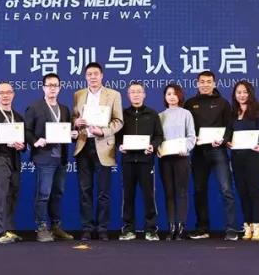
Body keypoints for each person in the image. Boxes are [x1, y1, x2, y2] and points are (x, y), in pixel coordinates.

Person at [72, 62, 124, 241]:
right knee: (84, 190)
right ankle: (87, 228)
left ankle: (102, 228)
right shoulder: (78, 94)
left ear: (102, 76)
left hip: (104, 146)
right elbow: (75, 117)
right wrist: (76, 123)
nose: (92, 77)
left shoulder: (113, 95)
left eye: (96, 74)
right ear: (85, 77)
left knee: (103, 192)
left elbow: (118, 121)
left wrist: (103, 131)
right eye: (89, 74)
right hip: (83, 145)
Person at [185, 70, 239, 241]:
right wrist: (191, 140)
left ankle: (231, 228)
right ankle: (202, 228)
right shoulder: (190, 103)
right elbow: (186, 128)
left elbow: (230, 126)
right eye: (202, 81)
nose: (205, 84)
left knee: (226, 189)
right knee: (199, 190)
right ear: (197, 84)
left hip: (218, 151)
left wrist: (224, 140)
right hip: (198, 152)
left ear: (214, 84)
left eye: (209, 81)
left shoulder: (223, 103)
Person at [25, 73, 74, 242]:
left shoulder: (64, 109)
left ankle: (56, 227)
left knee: (57, 193)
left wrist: (73, 134)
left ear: (60, 88)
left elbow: (67, 130)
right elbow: (26, 131)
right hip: (44, 157)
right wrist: (35, 141)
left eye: (55, 85)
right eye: (49, 85)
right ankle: (41, 228)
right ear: (43, 87)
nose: (52, 88)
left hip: (61, 158)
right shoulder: (34, 107)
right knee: (43, 194)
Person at [115, 82, 163, 241]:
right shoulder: (122, 114)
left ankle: (151, 230)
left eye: (139, 92)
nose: (136, 94)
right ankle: (128, 229)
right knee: (128, 195)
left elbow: (159, 136)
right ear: (128, 95)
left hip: (146, 160)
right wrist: (119, 145)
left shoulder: (152, 114)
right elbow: (116, 136)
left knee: (149, 195)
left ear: (144, 94)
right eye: (132, 92)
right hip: (128, 160)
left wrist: (153, 146)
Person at [0, 82, 27, 244]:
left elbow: (24, 143)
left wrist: (22, 146)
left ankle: (8, 230)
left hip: (15, 159)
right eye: (1, 93)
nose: (5, 95)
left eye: (8, 92)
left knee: (12, 195)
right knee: (0, 196)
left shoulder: (18, 117)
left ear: (13, 94)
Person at [227, 81, 259, 241]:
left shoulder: (258, 112)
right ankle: (248, 224)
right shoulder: (232, 113)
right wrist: (227, 142)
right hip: (237, 156)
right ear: (234, 95)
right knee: (242, 191)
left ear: (250, 93)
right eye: (239, 92)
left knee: (254, 191)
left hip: (253, 156)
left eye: (245, 92)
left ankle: (258, 225)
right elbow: (228, 132)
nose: (242, 95)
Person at [159, 83, 195, 240]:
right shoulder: (160, 116)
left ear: (180, 96)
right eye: (168, 94)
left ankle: (181, 227)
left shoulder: (186, 114)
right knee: (169, 192)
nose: (172, 97)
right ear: (165, 97)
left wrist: (185, 148)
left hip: (182, 157)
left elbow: (191, 136)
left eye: (174, 94)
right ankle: (171, 227)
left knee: (181, 192)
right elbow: (158, 137)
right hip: (165, 158)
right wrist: (158, 149)